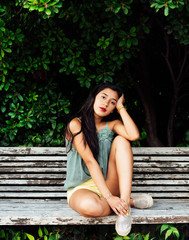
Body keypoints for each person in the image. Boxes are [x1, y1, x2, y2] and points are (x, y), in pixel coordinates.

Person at [64, 82, 153, 236]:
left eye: (112, 102)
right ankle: (129, 202)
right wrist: (110, 197)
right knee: (90, 207)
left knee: (122, 141)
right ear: (93, 97)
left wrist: (121, 107)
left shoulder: (112, 124)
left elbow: (133, 135)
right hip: (81, 188)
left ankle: (124, 210)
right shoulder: (75, 124)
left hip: (108, 182)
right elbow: (90, 162)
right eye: (103, 97)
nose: (106, 103)